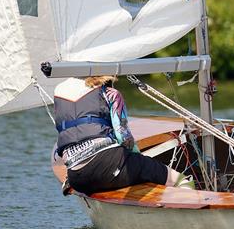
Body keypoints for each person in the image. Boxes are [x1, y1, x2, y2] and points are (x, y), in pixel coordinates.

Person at [51, 75, 194, 195]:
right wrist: (138, 159)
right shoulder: (111, 94)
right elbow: (123, 137)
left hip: (77, 178)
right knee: (180, 180)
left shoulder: (59, 92)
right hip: (110, 166)